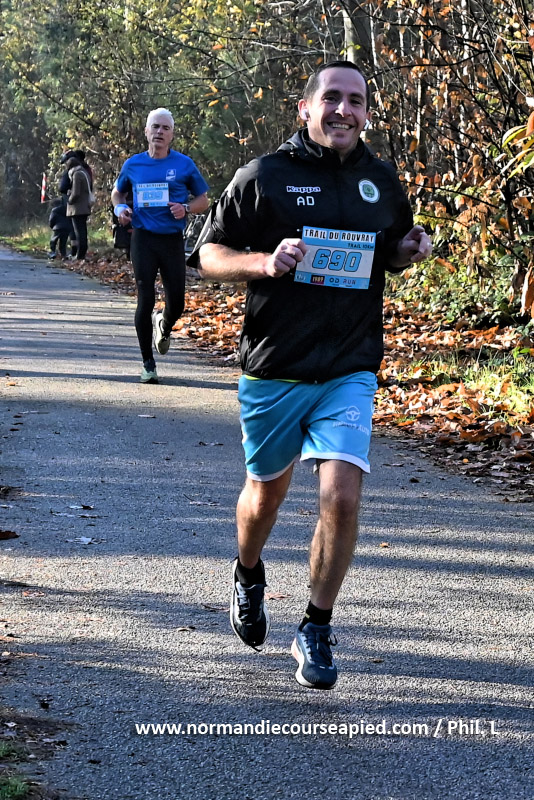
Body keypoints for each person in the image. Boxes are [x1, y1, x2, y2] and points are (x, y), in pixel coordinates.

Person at [191, 61, 432, 690]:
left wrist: (406, 251)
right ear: (305, 108)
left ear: (366, 113)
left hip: (349, 364)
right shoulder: (265, 176)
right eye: (332, 98)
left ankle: (316, 626)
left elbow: (390, 251)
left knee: (342, 496)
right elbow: (208, 254)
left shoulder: (381, 179)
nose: (344, 111)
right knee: (265, 495)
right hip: (277, 365)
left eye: (356, 101)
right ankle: (247, 572)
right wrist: (264, 263)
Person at [111, 108, 209, 385]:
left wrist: (186, 208)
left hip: (171, 240)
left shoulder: (184, 164)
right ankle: (148, 364)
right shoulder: (133, 164)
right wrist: (120, 208)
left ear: (172, 134)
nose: (159, 132)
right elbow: (118, 192)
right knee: (146, 299)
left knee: (177, 302)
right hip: (142, 238)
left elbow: (203, 200)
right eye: (155, 127)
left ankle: (163, 324)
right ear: (146, 131)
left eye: (165, 128)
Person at [65, 157, 92, 261]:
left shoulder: (76, 174)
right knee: (82, 231)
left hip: (77, 208)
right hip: (84, 206)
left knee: (79, 232)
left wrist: (69, 200)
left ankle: (80, 255)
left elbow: (76, 192)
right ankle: (82, 253)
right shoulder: (84, 173)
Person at [47, 195, 74, 259]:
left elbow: (52, 220)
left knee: (53, 240)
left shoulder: (54, 210)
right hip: (67, 227)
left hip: (57, 228)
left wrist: (51, 226)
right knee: (63, 242)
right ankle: (63, 254)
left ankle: (53, 252)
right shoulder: (67, 209)